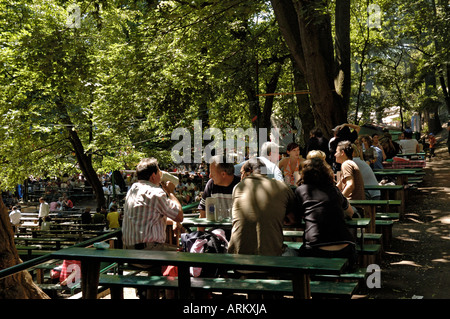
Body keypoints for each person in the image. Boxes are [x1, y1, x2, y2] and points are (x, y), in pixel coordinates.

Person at [293, 157, 357, 272]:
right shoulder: (334, 190)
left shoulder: (301, 190)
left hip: (315, 249)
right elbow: (350, 212)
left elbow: (295, 218)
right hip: (345, 248)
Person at [228, 158, 297, 256]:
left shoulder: (238, 187)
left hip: (239, 263)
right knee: (296, 253)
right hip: (272, 261)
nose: (240, 178)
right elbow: (293, 219)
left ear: (249, 172)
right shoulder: (282, 187)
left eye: (241, 173)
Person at [122, 157, 183, 251]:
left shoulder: (132, 190)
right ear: (153, 176)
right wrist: (170, 192)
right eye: (159, 172)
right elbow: (179, 216)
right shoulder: (156, 193)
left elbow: (148, 218)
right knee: (184, 254)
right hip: (148, 252)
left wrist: (174, 221)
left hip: (129, 251)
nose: (161, 175)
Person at [198, 155, 241, 221]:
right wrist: (200, 232)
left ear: (223, 174)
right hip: (216, 229)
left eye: (212, 173)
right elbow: (202, 211)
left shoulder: (241, 185)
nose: (210, 176)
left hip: (236, 229)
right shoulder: (211, 184)